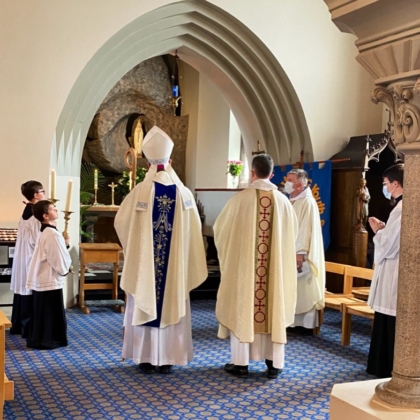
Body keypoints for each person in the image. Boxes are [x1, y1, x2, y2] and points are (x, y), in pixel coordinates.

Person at [115, 126, 207, 374]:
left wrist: (135, 249)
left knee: (146, 296)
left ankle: (145, 357)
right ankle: (168, 358)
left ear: (147, 163)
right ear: (171, 162)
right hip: (173, 272)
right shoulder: (184, 194)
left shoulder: (140, 192)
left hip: (146, 269)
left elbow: (121, 223)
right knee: (171, 301)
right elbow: (194, 232)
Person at [214, 154, 298, 379]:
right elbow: (293, 236)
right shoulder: (283, 202)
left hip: (246, 272)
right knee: (273, 304)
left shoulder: (240, 200)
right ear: (272, 174)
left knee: (244, 306)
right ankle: (274, 364)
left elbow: (220, 231)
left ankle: (240, 363)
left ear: (252, 172)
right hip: (273, 274)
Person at [367, 163, 404, 378]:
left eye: (385, 184)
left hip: (394, 270)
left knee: (390, 318)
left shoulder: (401, 209)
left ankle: (383, 366)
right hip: (394, 269)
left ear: (396, 184)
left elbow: (389, 246)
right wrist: (384, 230)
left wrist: (378, 232)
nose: (385, 187)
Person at [26, 200, 72, 349]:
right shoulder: (51, 233)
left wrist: (65, 245)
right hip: (48, 278)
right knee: (48, 311)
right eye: (53, 209)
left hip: (43, 277)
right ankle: (48, 339)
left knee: (44, 310)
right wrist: (65, 269)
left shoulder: (47, 231)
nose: (57, 210)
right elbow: (56, 257)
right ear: (45, 216)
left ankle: (41, 338)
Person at [284, 169, 325, 334]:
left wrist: (300, 253)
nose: (286, 183)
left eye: (290, 180)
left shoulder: (306, 202)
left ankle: (305, 326)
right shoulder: (294, 199)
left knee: (304, 288)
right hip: (291, 251)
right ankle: (293, 322)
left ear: (299, 184)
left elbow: (305, 230)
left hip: (302, 254)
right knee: (293, 289)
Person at [10, 180, 46, 337]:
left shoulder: (27, 210)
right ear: (36, 195)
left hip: (22, 256)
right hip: (30, 258)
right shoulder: (35, 216)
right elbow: (37, 240)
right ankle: (28, 328)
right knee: (29, 290)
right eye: (43, 191)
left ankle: (18, 325)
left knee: (23, 291)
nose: (45, 193)